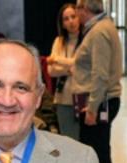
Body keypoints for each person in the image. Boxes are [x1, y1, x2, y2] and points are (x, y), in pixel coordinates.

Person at [70, 0, 123, 163]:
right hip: (101, 100)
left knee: (97, 153)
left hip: (100, 102)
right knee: (99, 151)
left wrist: (92, 107)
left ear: (85, 9)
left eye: (77, 8)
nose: (75, 13)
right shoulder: (101, 27)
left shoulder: (99, 32)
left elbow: (100, 74)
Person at [47, 3, 80, 140]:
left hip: (82, 98)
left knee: (83, 142)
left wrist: (57, 59)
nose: (71, 21)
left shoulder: (87, 40)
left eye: (73, 16)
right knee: (67, 140)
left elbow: (80, 65)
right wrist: (70, 69)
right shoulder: (58, 41)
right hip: (62, 98)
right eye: (66, 19)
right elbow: (51, 71)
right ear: (62, 23)